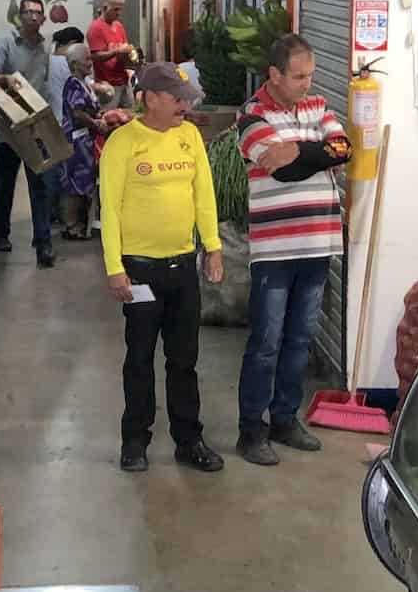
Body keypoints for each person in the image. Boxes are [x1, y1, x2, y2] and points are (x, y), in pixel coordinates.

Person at [100, 64, 226, 474]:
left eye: (185, 98)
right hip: (139, 271)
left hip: (182, 265)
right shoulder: (123, 143)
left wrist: (213, 247)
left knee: (184, 359)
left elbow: (203, 195)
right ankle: (135, 440)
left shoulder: (189, 137)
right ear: (150, 98)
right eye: (176, 99)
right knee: (139, 358)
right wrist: (114, 268)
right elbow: (110, 210)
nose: (184, 106)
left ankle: (188, 440)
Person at [233, 33, 351, 466]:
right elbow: (276, 167)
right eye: (299, 76)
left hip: (319, 241)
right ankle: (252, 429)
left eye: (311, 75)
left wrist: (299, 152)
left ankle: (285, 419)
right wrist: (315, 153)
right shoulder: (251, 114)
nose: (307, 84)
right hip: (274, 249)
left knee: (300, 340)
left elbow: (342, 149)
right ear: (275, 75)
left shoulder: (318, 105)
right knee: (266, 341)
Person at [0, 0, 55, 265]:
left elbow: (44, 84)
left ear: (43, 18)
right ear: (20, 17)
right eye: (28, 12)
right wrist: (6, 79)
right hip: (8, 127)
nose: (33, 17)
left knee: (41, 184)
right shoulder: (6, 43)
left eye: (38, 13)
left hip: (35, 125)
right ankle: (1, 235)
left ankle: (44, 244)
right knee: (4, 184)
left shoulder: (44, 48)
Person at [57, 43, 100, 241]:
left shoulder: (85, 83)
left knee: (84, 181)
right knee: (74, 183)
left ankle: (80, 225)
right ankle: (71, 225)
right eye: (87, 60)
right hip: (77, 140)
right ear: (74, 64)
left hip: (86, 139)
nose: (90, 63)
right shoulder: (73, 83)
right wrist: (96, 124)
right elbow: (77, 112)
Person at [87, 0, 134, 106]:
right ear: (105, 8)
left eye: (120, 9)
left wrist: (131, 56)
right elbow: (95, 56)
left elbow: (124, 49)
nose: (119, 13)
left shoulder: (119, 26)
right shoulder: (96, 28)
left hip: (123, 80)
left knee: (130, 116)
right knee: (110, 119)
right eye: (115, 9)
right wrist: (116, 51)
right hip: (107, 85)